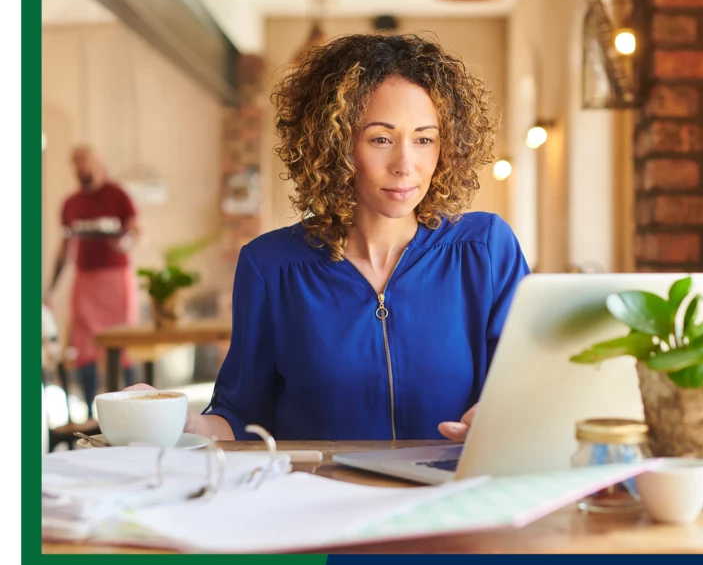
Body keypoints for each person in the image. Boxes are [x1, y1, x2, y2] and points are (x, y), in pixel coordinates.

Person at [129, 33, 530, 442]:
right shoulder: (270, 267)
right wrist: (182, 422)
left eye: (424, 139)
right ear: (335, 145)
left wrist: (500, 414)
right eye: (381, 139)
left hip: (456, 497)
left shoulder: (486, 250)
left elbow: (529, 383)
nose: (405, 165)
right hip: (324, 499)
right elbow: (242, 414)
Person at [45, 145, 140, 416]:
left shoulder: (118, 195)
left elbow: (134, 232)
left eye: (84, 161)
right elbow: (64, 248)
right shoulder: (70, 204)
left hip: (115, 280)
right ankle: (88, 414)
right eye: (75, 162)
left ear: (97, 162)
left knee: (122, 347)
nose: (80, 167)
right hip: (85, 280)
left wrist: (124, 243)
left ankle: (134, 412)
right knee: (83, 345)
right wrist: (51, 289)